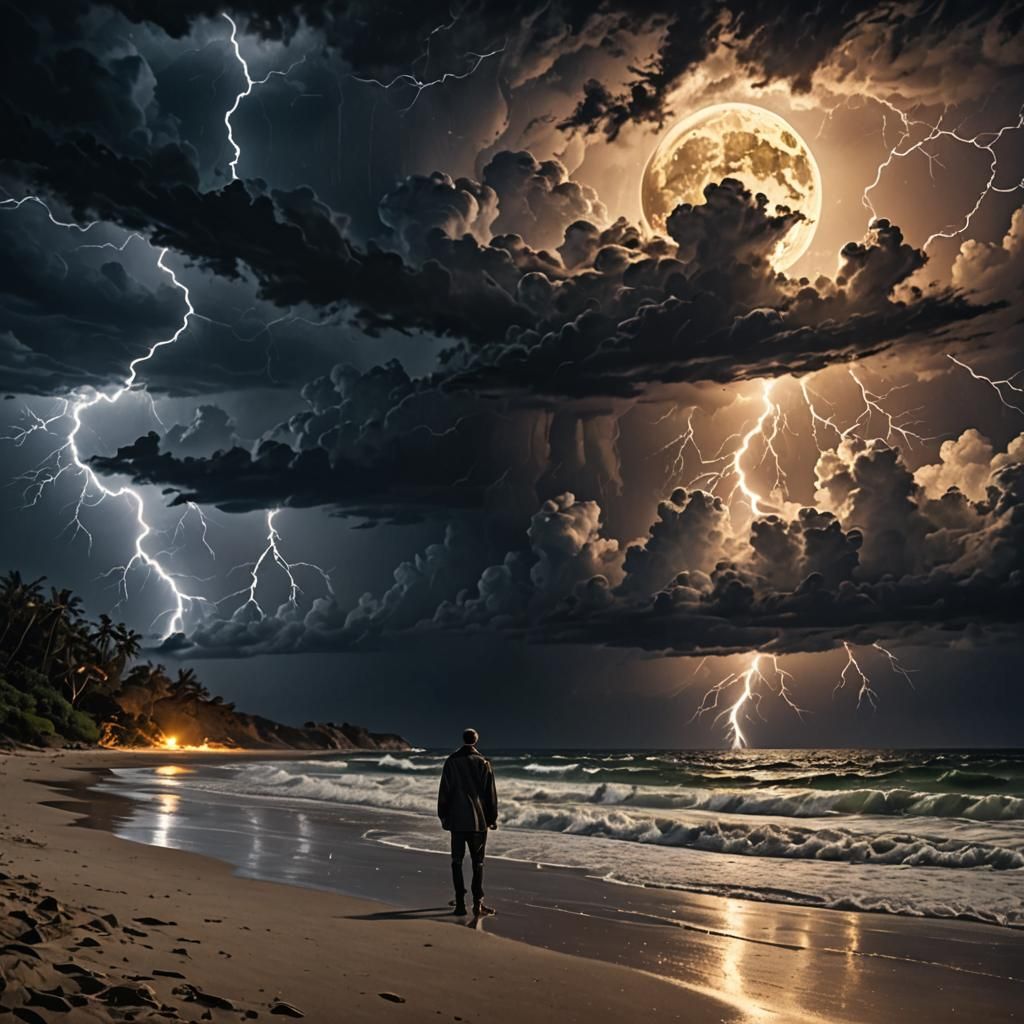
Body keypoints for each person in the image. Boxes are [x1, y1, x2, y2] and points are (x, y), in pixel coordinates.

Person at [437, 727, 498, 917]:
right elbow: (490, 795)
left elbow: (444, 792)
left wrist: (443, 816)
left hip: (456, 819)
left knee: (456, 861)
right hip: (478, 821)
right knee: (478, 863)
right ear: (476, 740)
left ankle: (460, 904)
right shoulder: (484, 762)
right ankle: (478, 903)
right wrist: (492, 818)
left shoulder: (451, 762)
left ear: (463, 739)